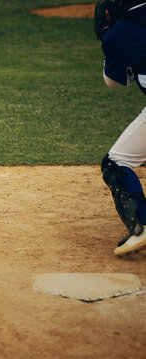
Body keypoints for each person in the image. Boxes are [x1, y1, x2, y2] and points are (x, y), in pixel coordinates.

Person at [94, 0, 146, 255]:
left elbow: (112, 82)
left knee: (116, 162)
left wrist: (108, 37)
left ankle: (142, 227)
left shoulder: (118, 33)